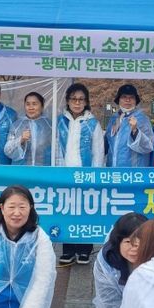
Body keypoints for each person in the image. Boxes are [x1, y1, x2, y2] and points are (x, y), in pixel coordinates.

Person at [56, 83, 104, 265]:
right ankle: (68, 250)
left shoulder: (92, 124)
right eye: (74, 99)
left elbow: (98, 152)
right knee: (67, 211)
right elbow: (55, 149)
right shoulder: (60, 122)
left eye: (81, 99)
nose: (77, 103)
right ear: (68, 101)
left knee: (85, 212)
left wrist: (95, 177)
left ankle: (84, 249)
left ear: (86, 102)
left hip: (86, 177)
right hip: (64, 176)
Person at [92, 212, 148, 308]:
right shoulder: (107, 261)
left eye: (139, 243)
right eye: (128, 242)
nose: (134, 249)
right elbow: (110, 306)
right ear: (118, 242)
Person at [104, 84, 154, 167]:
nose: (128, 100)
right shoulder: (114, 119)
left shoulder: (142, 119)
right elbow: (107, 143)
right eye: (124, 97)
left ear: (135, 101)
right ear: (118, 100)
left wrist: (135, 130)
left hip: (132, 172)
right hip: (113, 170)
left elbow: (147, 147)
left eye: (132, 97)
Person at [4, 91, 52, 165]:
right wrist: (20, 140)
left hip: (43, 169)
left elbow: (57, 151)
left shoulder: (50, 126)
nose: (31, 108)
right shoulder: (17, 125)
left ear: (42, 106)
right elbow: (7, 150)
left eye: (34, 104)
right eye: (28, 104)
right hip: (22, 170)